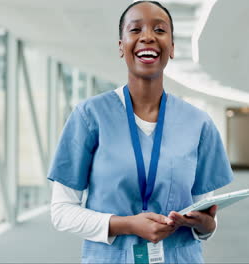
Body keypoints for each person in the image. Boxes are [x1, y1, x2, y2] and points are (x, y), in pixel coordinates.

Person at [47, 1, 233, 263]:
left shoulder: (199, 124)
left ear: (172, 47)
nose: (148, 36)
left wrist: (206, 226)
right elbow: (62, 212)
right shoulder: (89, 117)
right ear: (121, 46)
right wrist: (127, 224)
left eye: (159, 30)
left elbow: (207, 219)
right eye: (135, 30)